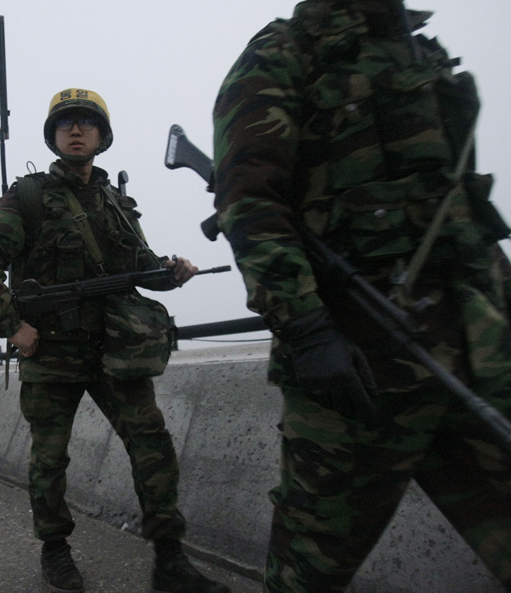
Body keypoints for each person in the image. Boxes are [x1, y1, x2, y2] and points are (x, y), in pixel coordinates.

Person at [212, 2, 511, 591]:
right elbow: (250, 205)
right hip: (360, 364)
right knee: (309, 570)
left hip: (477, 350)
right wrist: (308, 330)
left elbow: (459, 210)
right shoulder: (285, 53)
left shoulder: (420, 52)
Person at [0, 88, 231, 593]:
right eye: (66, 123)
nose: (77, 129)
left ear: (102, 136)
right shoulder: (29, 196)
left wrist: (170, 273)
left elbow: (137, 267)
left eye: (87, 122)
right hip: (50, 351)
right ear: (54, 136)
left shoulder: (115, 201)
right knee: (49, 458)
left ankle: (169, 559)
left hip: (114, 349)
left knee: (151, 446)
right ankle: (56, 549)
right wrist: (12, 327)